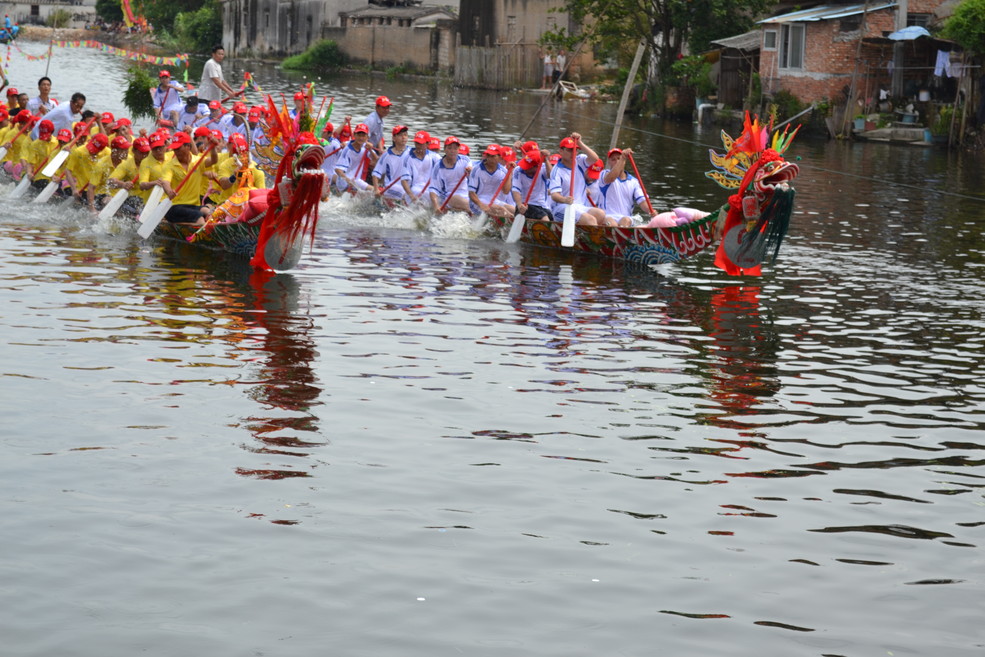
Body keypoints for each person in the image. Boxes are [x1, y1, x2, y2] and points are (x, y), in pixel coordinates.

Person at [548, 133, 606, 227]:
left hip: (580, 206)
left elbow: (595, 158)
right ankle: (589, 237)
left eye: (575, 150)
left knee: (601, 214)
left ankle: (581, 234)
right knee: (590, 220)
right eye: (570, 150)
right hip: (562, 208)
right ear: (561, 151)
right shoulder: (556, 171)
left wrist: (580, 143)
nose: (573, 153)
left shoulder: (579, 161)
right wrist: (565, 199)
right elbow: (554, 195)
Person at [597, 148, 650, 226]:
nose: (617, 161)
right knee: (612, 223)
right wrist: (622, 158)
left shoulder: (634, 181)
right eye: (613, 159)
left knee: (625, 220)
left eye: (619, 158)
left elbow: (642, 201)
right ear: (609, 162)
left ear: (625, 162)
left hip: (626, 218)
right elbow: (611, 178)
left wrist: (651, 211)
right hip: (608, 216)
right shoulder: (603, 175)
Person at [429, 136, 471, 215]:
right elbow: (433, 189)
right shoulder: (438, 166)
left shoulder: (465, 160)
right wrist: (436, 206)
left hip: (466, 196)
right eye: (450, 148)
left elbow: (471, 168)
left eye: (455, 148)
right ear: (444, 149)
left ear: (458, 150)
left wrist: (470, 170)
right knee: (473, 206)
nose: (452, 151)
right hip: (448, 197)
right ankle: (474, 213)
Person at [468, 144, 511, 218]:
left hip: (494, 201)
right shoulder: (476, 170)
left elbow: (506, 191)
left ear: (500, 158)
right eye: (488, 156)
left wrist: (509, 173)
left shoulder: (503, 171)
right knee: (503, 211)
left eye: (493, 156)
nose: (490, 159)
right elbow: (471, 193)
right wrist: (481, 205)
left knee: (514, 210)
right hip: (477, 203)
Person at [371, 124, 410, 202]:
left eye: (405, 135)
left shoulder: (412, 153)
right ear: (394, 138)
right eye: (400, 135)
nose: (403, 137)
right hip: (391, 187)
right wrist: (376, 190)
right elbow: (376, 174)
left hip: (408, 188)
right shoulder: (386, 155)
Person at [511, 150, 551, 221]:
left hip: (541, 205)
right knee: (544, 218)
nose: (524, 168)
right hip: (525, 205)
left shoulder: (543, 168)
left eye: (528, 166)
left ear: (537, 166)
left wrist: (546, 160)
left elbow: (551, 176)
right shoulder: (518, 170)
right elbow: (516, 190)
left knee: (552, 218)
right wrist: (520, 205)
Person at [400, 130, 438, 204]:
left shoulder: (435, 157)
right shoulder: (408, 158)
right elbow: (404, 181)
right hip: (414, 191)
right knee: (418, 191)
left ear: (427, 144)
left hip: (430, 190)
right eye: (416, 143)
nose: (418, 146)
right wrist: (412, 196)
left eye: (421, 144)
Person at [335, 123, 372, 194]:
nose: (361, 138)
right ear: (354, 135)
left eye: (363, 135)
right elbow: (338, 170)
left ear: (367, 137)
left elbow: (376, 161)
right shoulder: (347, 149)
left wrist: (371, 150)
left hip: (356, 180)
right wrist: (348, 181)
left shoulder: (366, 147)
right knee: (371, 192)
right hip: (345, 183)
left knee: (374, 190)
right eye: (359, 135)